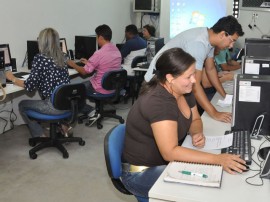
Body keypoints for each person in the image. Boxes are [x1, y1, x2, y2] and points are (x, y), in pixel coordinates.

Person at [121, 48, 247, 200]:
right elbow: (170, 152)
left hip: (166, 163)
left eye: (194, 74)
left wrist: (196, 132)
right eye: (189, 76)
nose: (194, 80)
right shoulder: (159, 103)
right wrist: (218, 159)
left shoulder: (183, 90)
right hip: (141, 173)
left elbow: (195, 119)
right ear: (170, 78)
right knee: (205, 191)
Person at [144, 15, 244, 123]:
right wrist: (215, 113)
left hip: (172, 82)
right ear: (223, 34)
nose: (231, 46)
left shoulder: (209, 40)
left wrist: (224, 95)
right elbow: (195, 85)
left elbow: (211, 70)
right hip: (156, 84)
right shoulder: (199, 44)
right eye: (232, 41)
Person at [5, 28, 71, 137]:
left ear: (42, 42)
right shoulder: (63, 57)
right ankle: (64, 125)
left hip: (53, 107)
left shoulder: (40, 58)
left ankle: (40, 135)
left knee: (22, 105)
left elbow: (29, 86)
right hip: (66, 104)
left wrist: (12, 78)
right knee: (45, 93)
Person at [67, 24, 122, 124]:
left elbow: (84, 72)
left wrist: (73, 64)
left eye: (97, 37)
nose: (97, 40)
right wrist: (89, 63)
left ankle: (91, 111)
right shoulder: (116, 50)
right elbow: (105, 66)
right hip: (113, 88)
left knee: (75, 90)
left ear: (100, 37)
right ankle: (94, 111)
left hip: (100, 88)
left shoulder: (99, 53)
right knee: (84, 84)